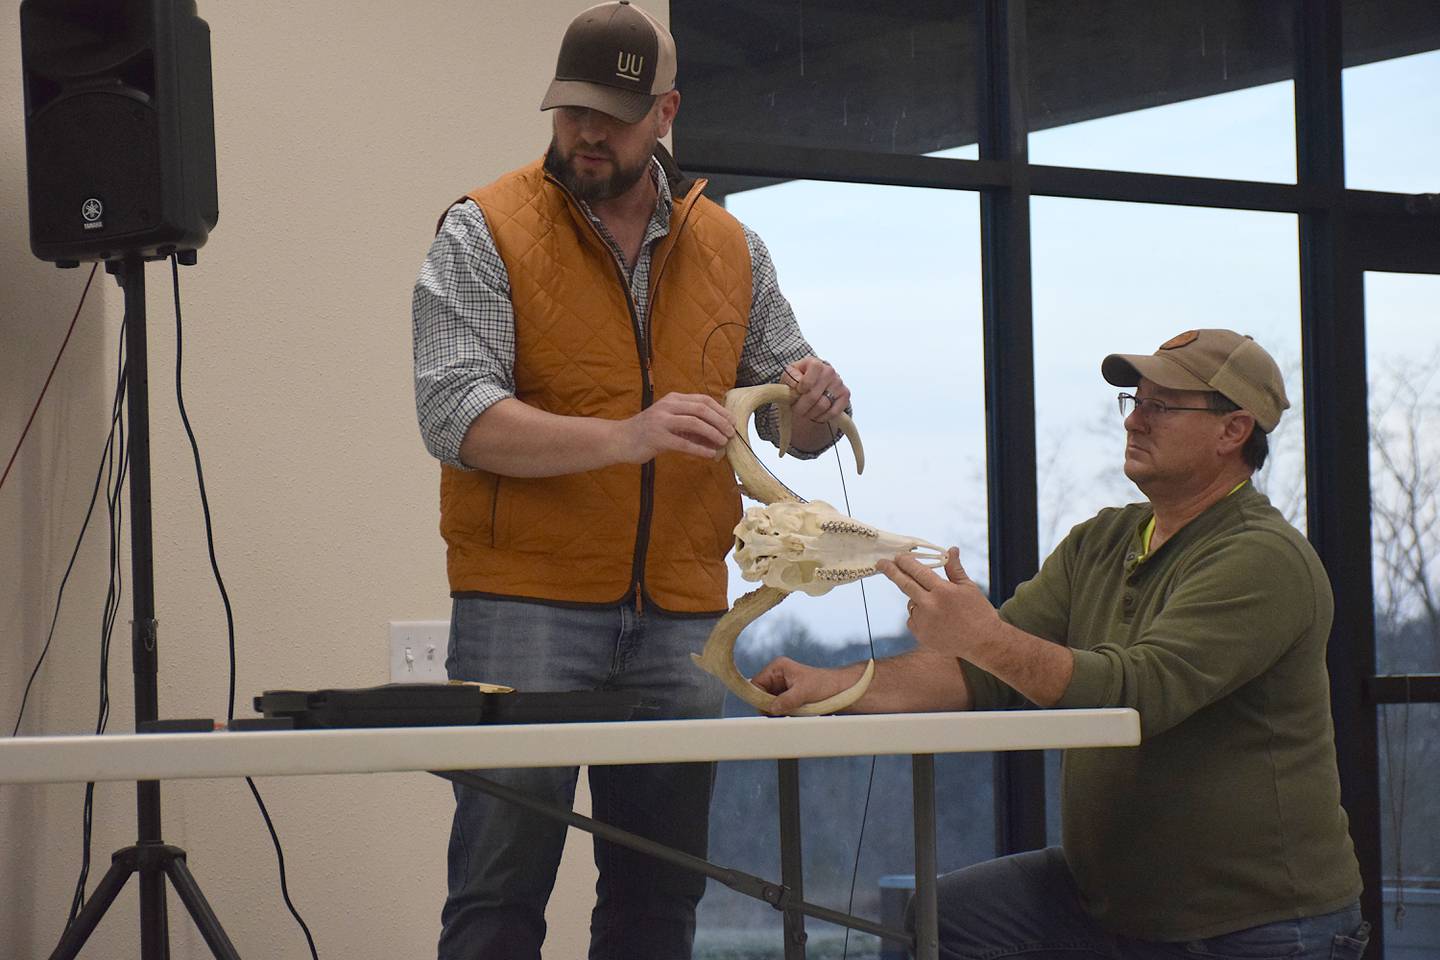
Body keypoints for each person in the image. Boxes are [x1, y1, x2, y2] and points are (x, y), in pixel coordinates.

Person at [410, 3, 852, 957]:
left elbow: (789, 410)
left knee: (661, 902)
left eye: (612, 114)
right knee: (496, 897)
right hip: (524, 606)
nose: (587, 134)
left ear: (667, 113)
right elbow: (455, 416)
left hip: (686, 613)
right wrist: (625, 438)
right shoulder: (481, 229)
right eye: (572, 111)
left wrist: (814, 408)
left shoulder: (735, 247)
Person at [755, 329, 1371, 959]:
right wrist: (833, 685)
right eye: (1134, 401)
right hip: (1113, 897)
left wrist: (984, 636)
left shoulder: (1262, 557)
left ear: (1233, 431)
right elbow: (980, 671)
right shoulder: (1102, 539)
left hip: (1254, 924)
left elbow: (1135, 696)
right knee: (949, 922)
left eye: (1163, 407)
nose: (1135, 421)